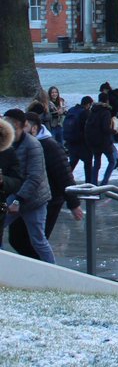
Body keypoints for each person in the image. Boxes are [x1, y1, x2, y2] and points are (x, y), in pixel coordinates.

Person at [6, 110, 82, 259]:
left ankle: (46, 271)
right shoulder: (11, 143)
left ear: (31, 128)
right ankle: (34, 268)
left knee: (36, 240)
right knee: (18, 240)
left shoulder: (45, 145)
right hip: (19, 195)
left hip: (43, 199)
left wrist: (73, 203)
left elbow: (63, 175)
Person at [1, 110, 55, 263]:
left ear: (16, 124)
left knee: (38, 240)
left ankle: (54, 273)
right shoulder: (8, 143)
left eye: (6, 120)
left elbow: (35, 177)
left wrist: (18, 200)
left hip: (34, 199)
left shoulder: (33, 145)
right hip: (15, 194)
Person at [83, 94, 117, 185]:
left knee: (97, 163)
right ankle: (104, 182)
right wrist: (113, 131)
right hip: (104, 142)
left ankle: (94, 183)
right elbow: (105, 128)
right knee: (112, 161)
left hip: (93, 142)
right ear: (107, 101)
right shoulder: (106, 112)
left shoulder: (92, 111)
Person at [62, 96, 92, 177]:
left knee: (72, 163)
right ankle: (89, 185)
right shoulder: (85, 112)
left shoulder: (72, 110)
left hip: (71, 141)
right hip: (82, 143)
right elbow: (87, 129)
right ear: (88, 104)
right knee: (88, 164)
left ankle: (64, 179)